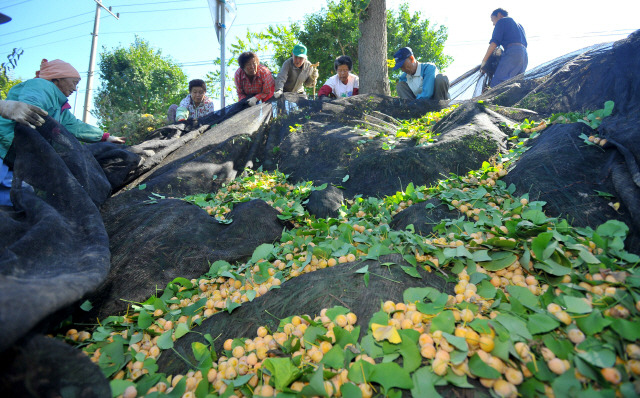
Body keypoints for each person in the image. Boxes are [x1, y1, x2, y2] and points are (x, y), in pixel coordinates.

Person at [0, 58, 125, 206]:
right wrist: (30, 109)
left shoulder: (60, 108)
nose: (75, 88)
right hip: (4, 145)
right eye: (74, 82)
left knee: (14, 196)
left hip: (14, 155)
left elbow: (75, 126)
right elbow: (32, 103)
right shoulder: (42, 85)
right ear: (57, 79)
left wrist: (105, 137)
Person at [480, 8, 528, 87]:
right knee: (515, 85)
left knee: (497, 84)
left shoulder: (502, 21)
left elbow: (494, 43)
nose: (493, 24)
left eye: (493, 20)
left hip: (513, 53)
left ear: (499, 15)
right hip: (524, 57)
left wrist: (484, 61)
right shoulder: (519, 26)